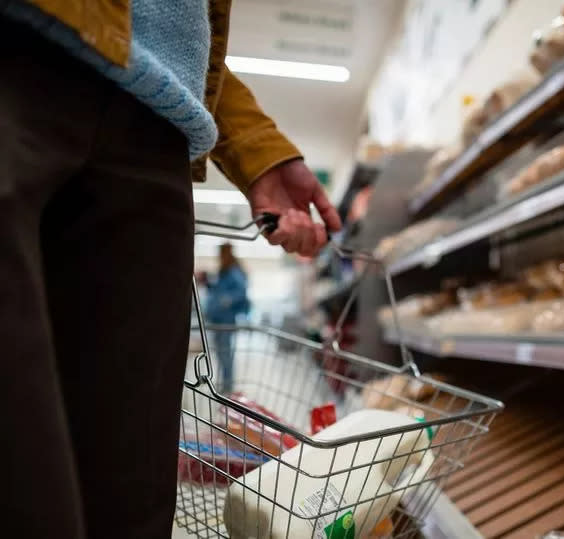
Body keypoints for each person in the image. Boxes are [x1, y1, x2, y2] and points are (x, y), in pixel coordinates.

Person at [1, 1, 342, 538]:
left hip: (158, 137)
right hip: (21, 57)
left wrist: (259, 150)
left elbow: (171, 24)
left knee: (130, 490)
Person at [202, 243, 250, 394]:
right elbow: (218, 290)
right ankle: (224, 384)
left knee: (225, 354)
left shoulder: (233, 271)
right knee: (221, 354)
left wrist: (226, 300)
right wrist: (208, 283)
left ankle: (228, 387)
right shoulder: (224, 271)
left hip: (225, 320)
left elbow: (241, 291)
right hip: (217, 318)